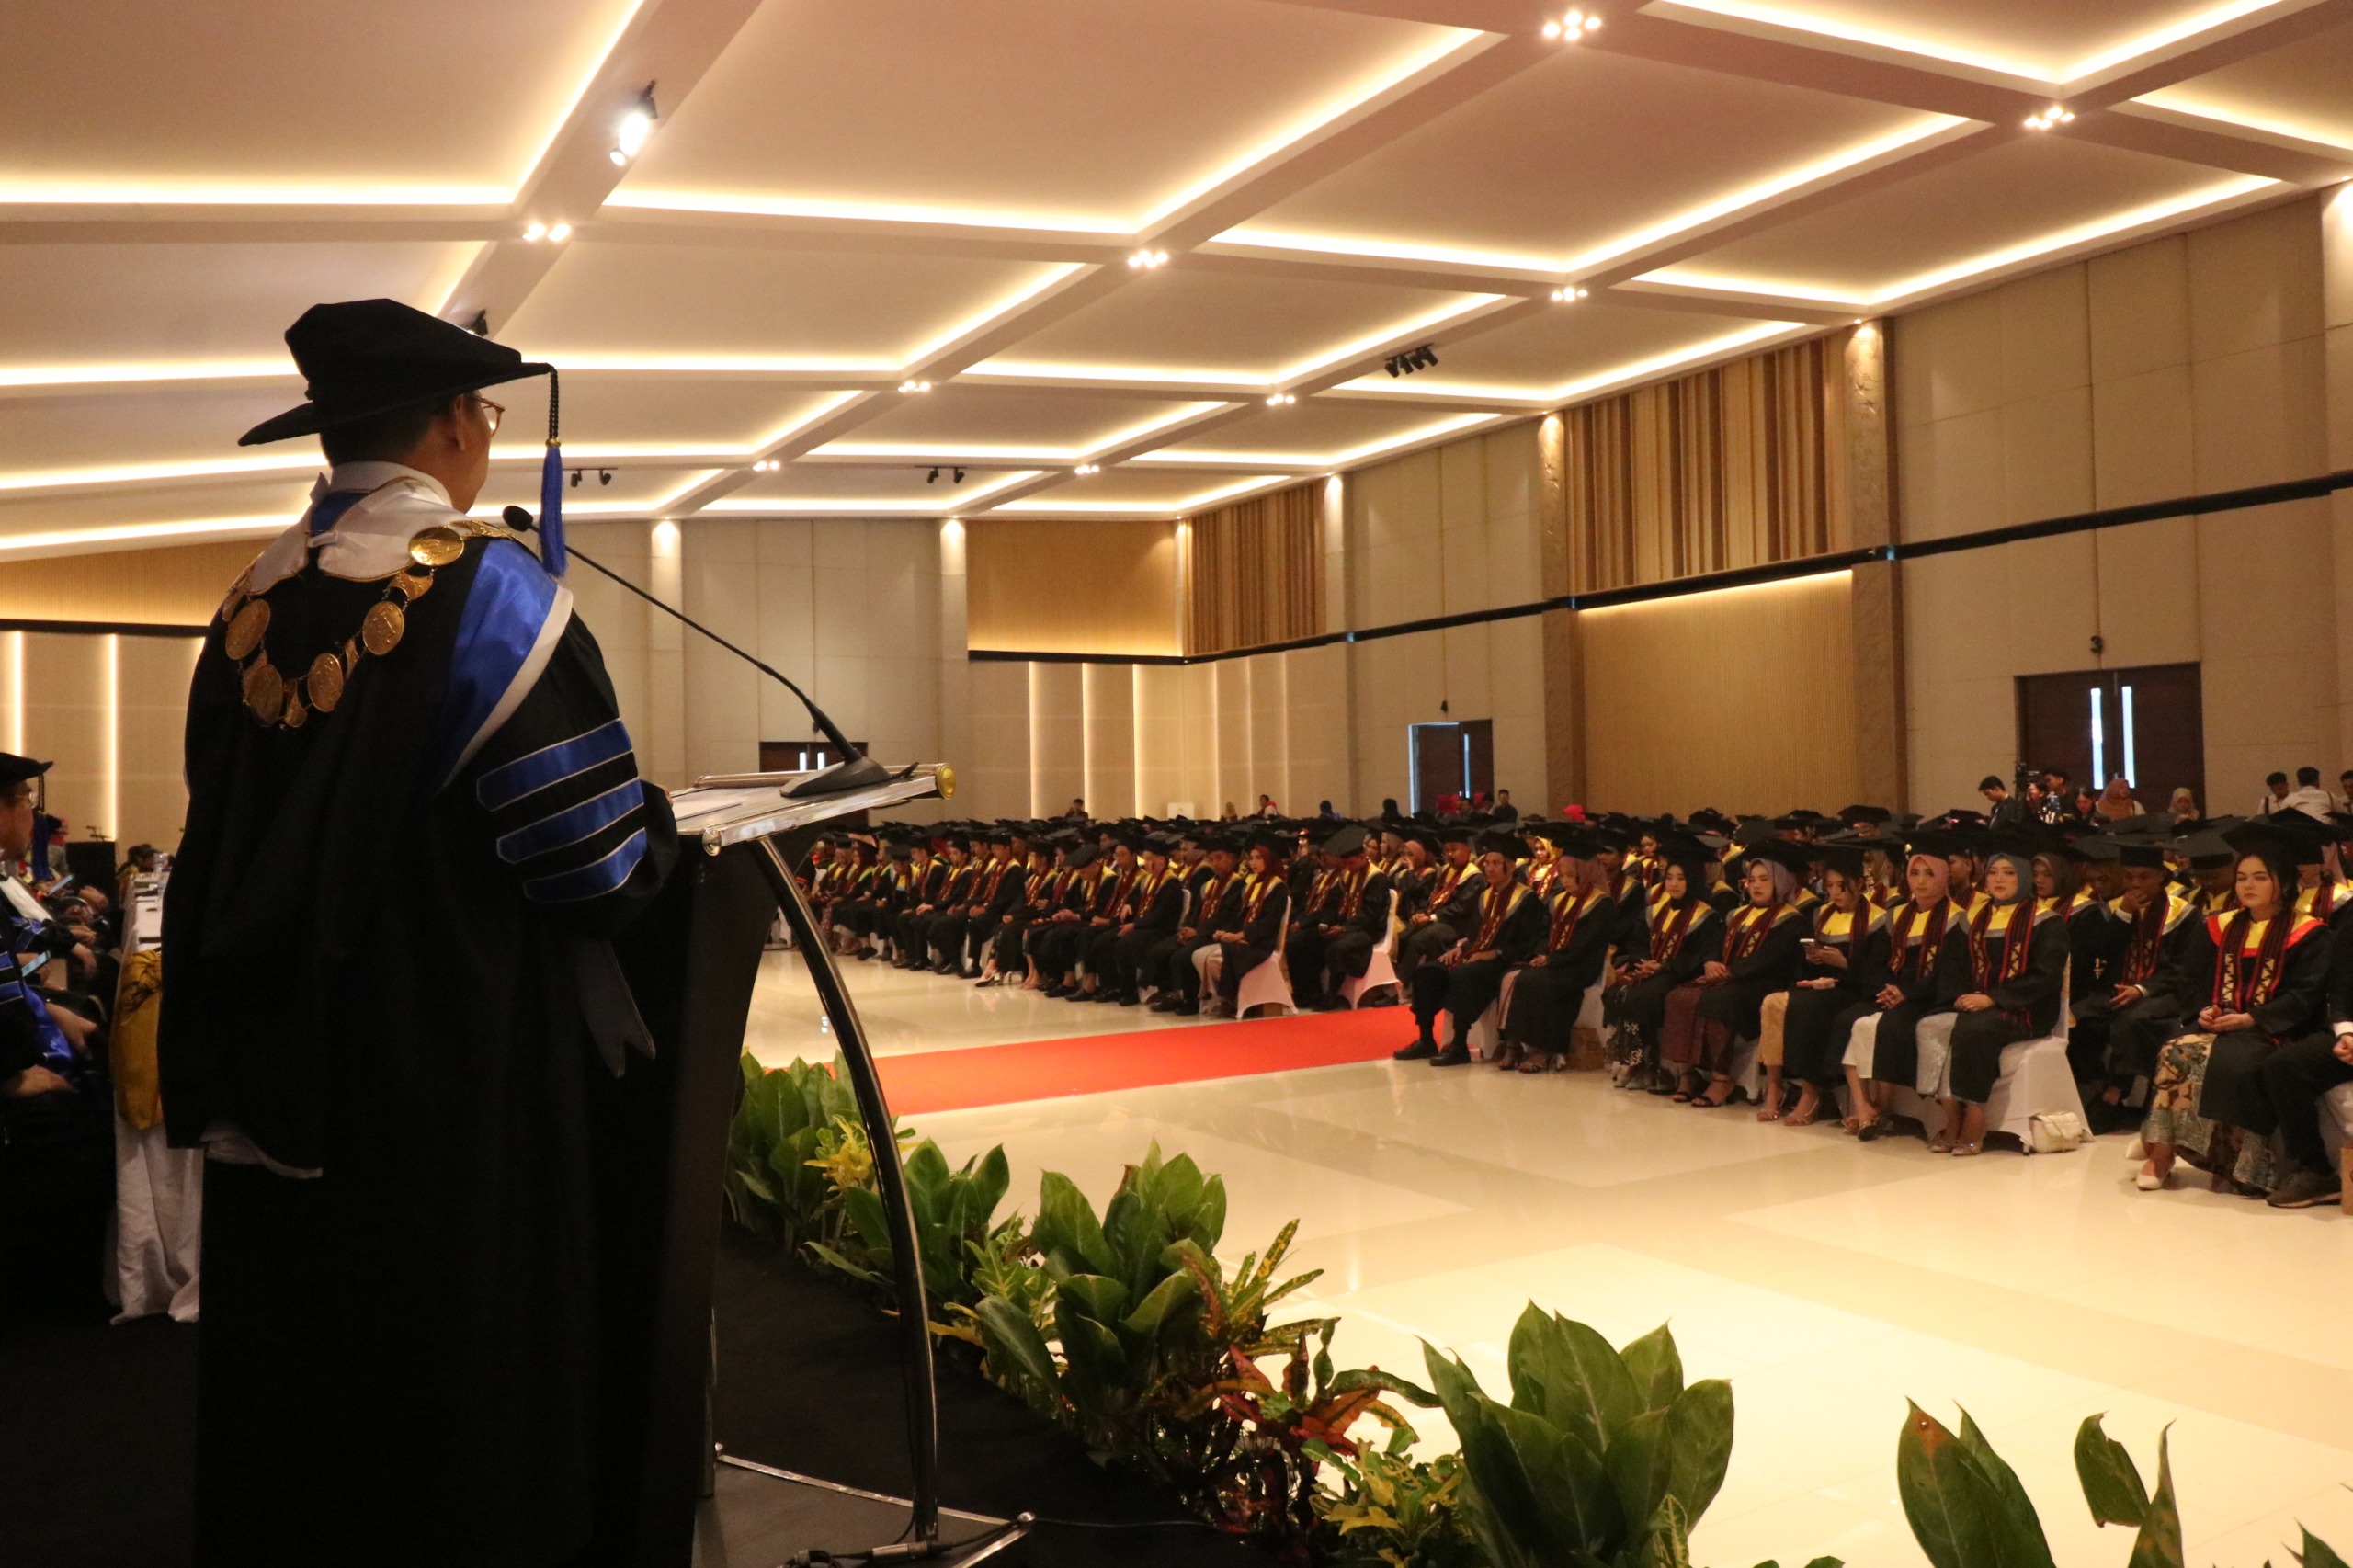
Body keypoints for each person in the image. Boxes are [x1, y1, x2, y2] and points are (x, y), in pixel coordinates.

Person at [157, 300, 680, 1566]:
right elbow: (594, 865)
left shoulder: (249, 606)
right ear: (454, 420)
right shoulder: (489, 597)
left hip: (282, 1081)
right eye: (485, 414)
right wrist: (660, 824)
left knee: (309, 1385)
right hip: (451, 1082)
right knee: (452, 1395)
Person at [2139, 825, 2334, 1197]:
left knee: (2236, 1062)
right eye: (2242, 877)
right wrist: (2205, 1010)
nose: (2248, 886)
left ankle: (2242, 1164)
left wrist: (2252, 1018)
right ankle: (2161, 1154)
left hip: (2277, 1030)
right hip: (2223, 1024)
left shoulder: (2310, 932)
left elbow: (2305, 997)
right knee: (2174, 1049)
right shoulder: (2218, 926)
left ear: (2283, 882)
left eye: (2260, 877)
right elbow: (2189, 980)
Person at [1915, 840, 2068, 1155]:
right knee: (1930, 1026)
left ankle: (1975, 1115)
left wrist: (1993, 999)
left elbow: (2046, 977)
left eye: (2009, 873)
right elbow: (1953, 965)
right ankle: (1951, 1114)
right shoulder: (1972, 919)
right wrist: (1963, 996)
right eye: (1993, 873)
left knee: (1976, 1029)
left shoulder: (2047, 921)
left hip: (2026, 1008)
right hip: (1977, 1004)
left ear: (2023, 878)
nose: (1999, 879)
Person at [1662, 839, 1808, 1108]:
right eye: (1752, 879)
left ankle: (1721, 1079)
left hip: (1764, 983)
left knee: (1721, 1000)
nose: (1756, 885)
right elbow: (1713, 945)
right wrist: (1710, 963)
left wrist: (1730, 973)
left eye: (1765, 879)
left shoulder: (1792, 920)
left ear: (1781, 881)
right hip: (1729, 978)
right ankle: (1686, 1075)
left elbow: (1769, 959)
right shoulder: (1736, 915)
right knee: (1678, 996)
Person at [1845, 843, 1971, 1140]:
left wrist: (1907, 993)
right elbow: (1875, 964)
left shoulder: (1958, 919)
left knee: (1888, 1025)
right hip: (1893, 993)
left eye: (1929, 873)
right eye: (1915, 873)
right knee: (1849, 1020)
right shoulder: (1896, 915)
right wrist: (1886, 990)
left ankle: (1884, 1109)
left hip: (1931, 997)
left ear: (1943, 877)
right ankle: (1868, 1108)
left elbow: (1949, 974)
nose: (1922, 881)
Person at [1398, 831, 1542, 1067]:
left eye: (1496, 863)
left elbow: (1527, 943)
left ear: (1510, 866)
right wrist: (1462, 947)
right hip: (1475, 956)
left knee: (1462, 975)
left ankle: (1459, 1046)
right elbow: (1474, 935)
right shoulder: (1484, 896)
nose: (1490, 868)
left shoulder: (1527, 900)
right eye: (1487, 863)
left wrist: (1494, 953)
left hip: (1503, 962)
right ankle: (1426, 1040)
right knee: (1427, 972)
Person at [1774, 845, 1889, 1128]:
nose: (1835, 893)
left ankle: (1812, 1092)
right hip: (1829, 987)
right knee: (1796, 1000)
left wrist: (1844, 965)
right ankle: (1807, 1088)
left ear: (1859, 884)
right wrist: (1815, 960)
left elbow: (1876, 975)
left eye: (1842, 886)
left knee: (1812, 1008)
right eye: (1830, 886)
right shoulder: (1823, 914)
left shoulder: (1877, 919)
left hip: (1857, 990)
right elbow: (1815, 968)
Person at [1495, 824, 1613, 1072]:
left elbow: (1585, 944)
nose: (1565, 880)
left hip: (1581, 965)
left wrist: (1552, 959)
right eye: (1562, 875)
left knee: (1541, 982)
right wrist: (1542, 953)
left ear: (1586, 873)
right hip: (1554, 960)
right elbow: (1542, 933)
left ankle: (1544, 1050)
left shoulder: (1601, 904)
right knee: (1517, 977)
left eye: (1571, 875)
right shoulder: (1558, 900)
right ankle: (1514, 1044)